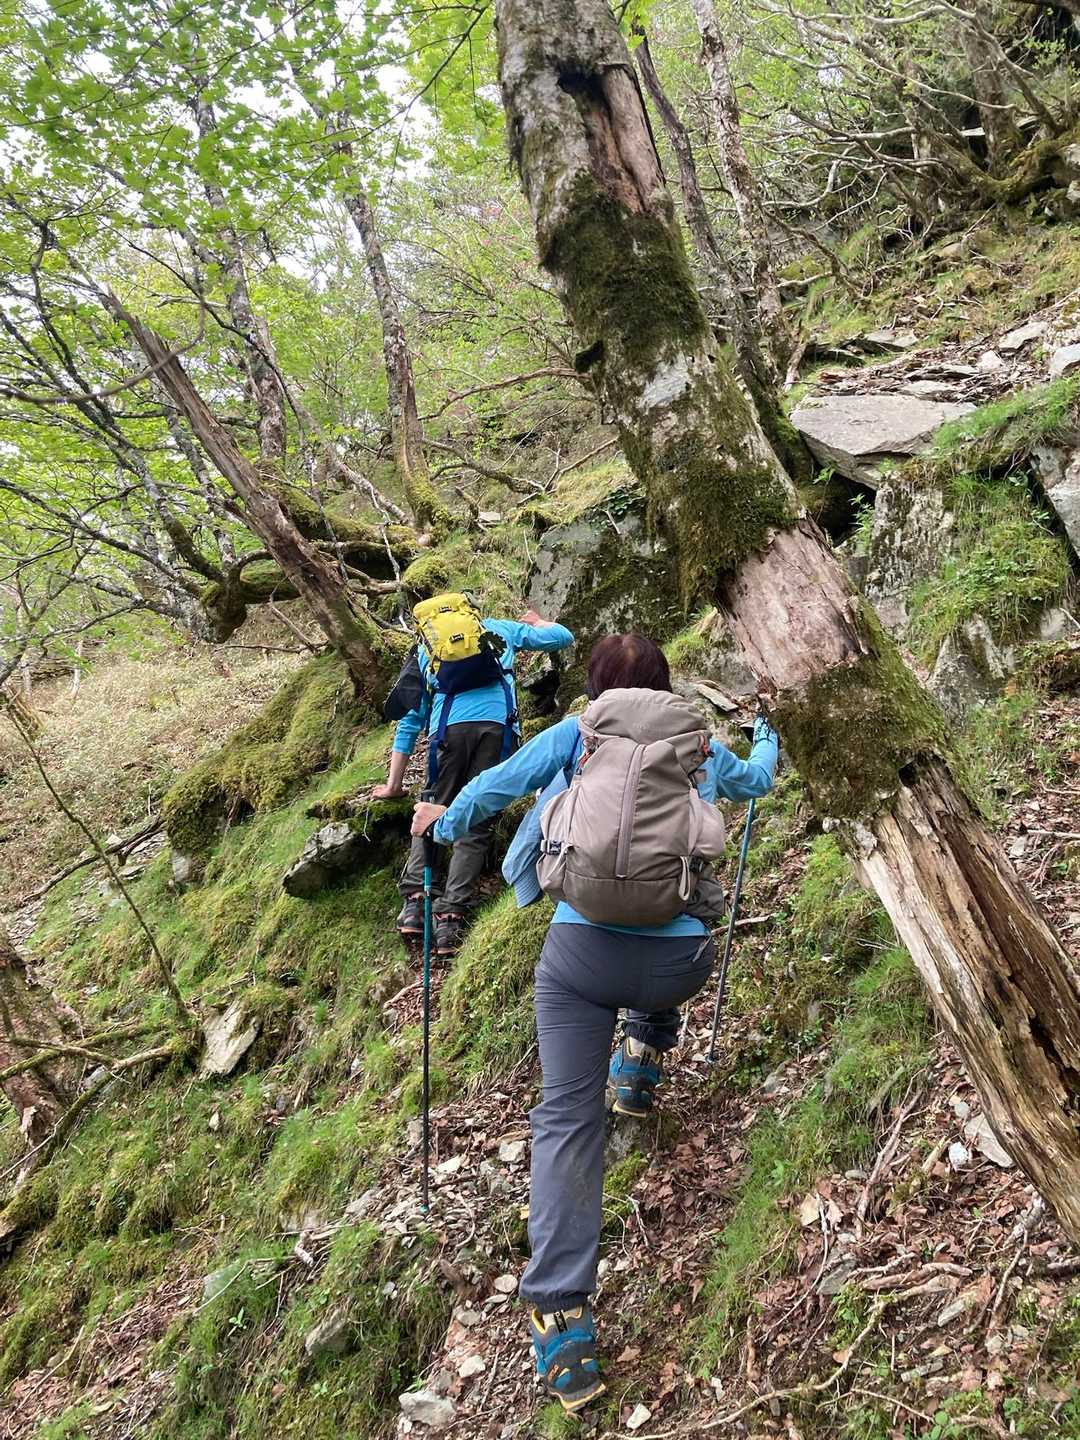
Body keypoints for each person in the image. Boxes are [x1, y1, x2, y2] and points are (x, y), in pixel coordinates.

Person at [410, 632, 778, 1412]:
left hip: (580, 960)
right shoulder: (698, 745)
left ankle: (563, 1320)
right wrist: (771, 734)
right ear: (666, 685)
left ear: (597, 686)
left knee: (568, 1120)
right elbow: (757, 782)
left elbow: (494, 787)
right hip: (679, 964)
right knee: (663, 918)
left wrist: (440, 822)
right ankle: (644, 1056)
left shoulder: (577, 734)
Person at [375, 605, 574, 956]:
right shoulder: (497, 629)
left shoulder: (426, 646)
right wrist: (540, 623)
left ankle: (416, 904)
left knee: (432, 807)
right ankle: (450, 918)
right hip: (497, 731)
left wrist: (393, 784)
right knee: (477, 818)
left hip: (446, 733)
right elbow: (563, 637)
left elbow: (410, 721)